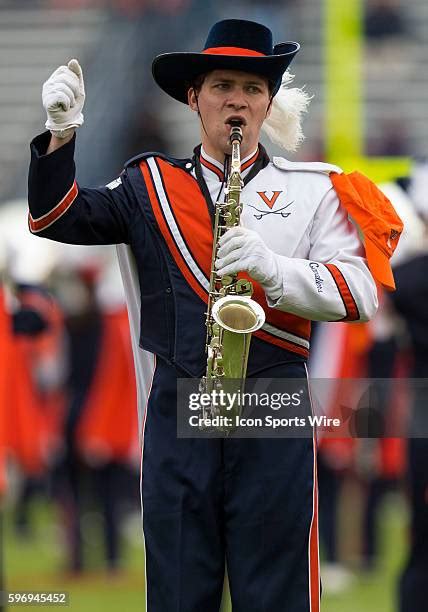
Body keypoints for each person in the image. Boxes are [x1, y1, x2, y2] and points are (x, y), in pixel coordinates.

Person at [27, 18, 399, 612]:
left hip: (272, 406)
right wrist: (59, 135)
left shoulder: (315, 189)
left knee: (276, 592)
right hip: (180, 408)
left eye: (252, 88)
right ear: (194, 97)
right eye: (223, 85)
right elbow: (56, 218)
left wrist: (275, 271)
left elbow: (359, 295)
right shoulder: (149, 184)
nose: (237, 100)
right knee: (176, 591)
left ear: (268, 103)